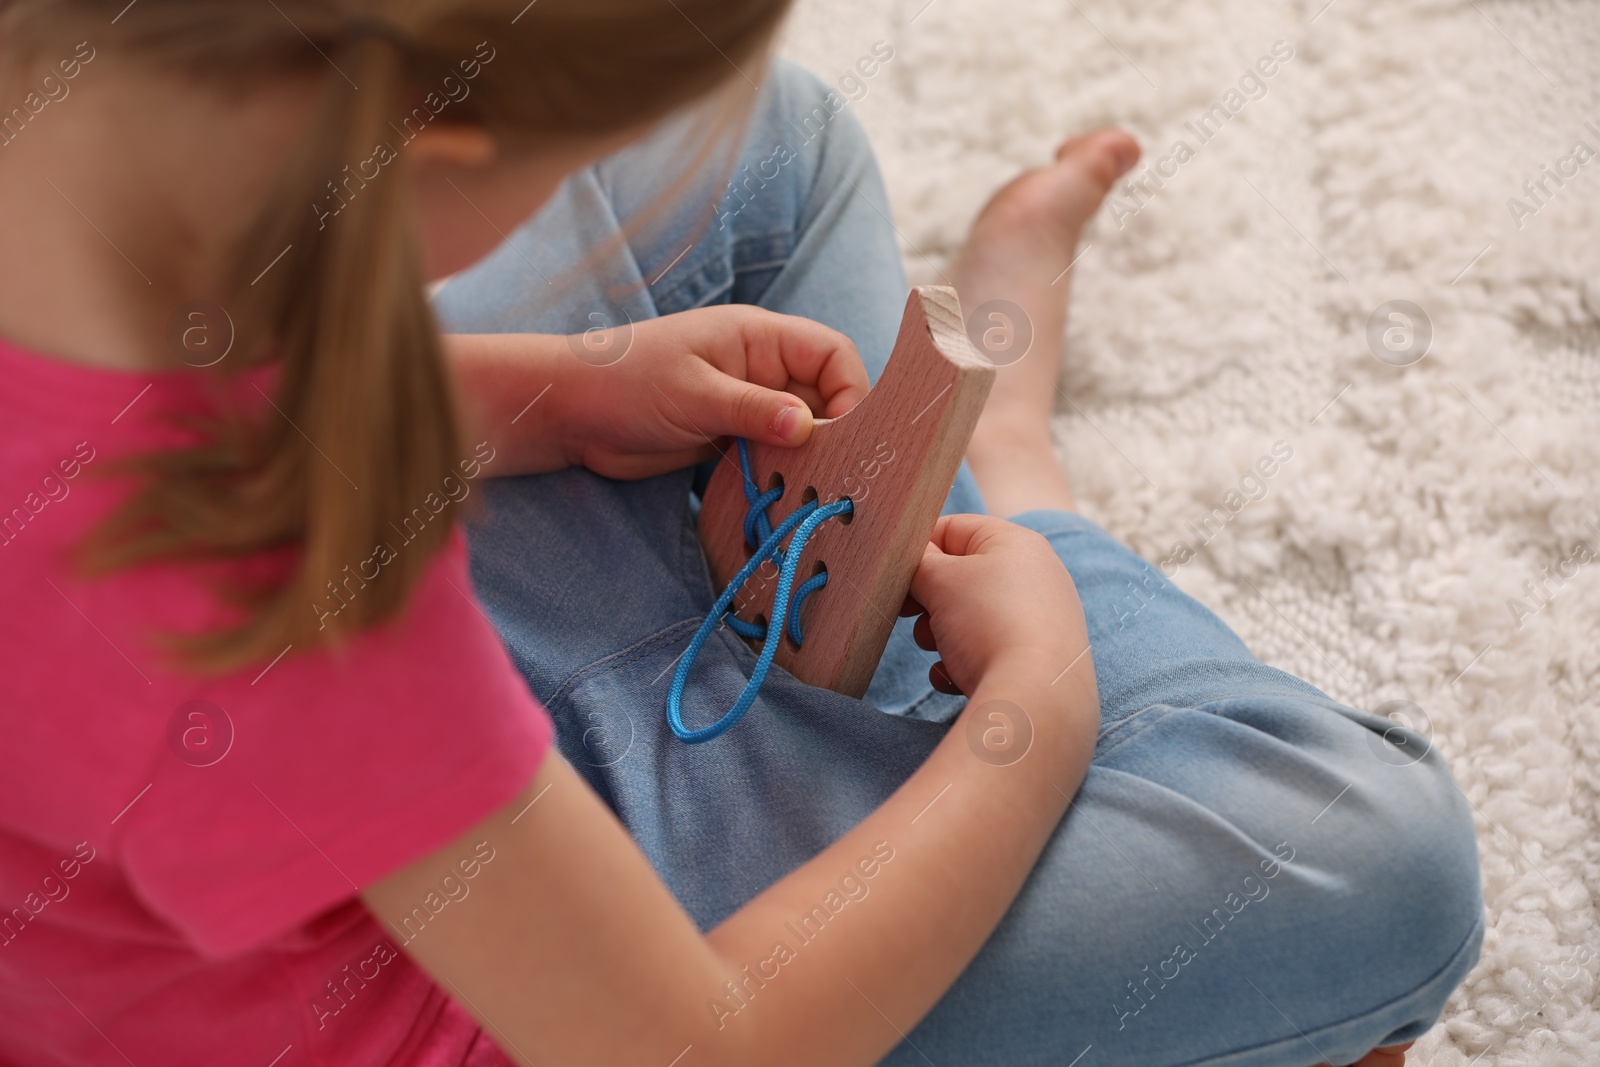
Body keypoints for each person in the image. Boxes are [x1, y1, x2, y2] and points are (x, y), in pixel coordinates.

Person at [0, 3, 1480, 1067]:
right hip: (554, 981)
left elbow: (172, 407)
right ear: (421, 146)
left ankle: (876, 547)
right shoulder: (275, 584)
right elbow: (709, 1045)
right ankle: (1013, 475)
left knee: (770, 153)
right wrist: (1030, 714)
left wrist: (565, 397)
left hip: (338, 771)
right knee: (1380, 853)